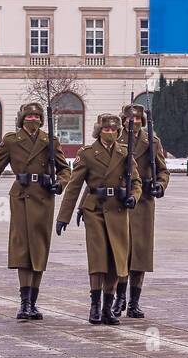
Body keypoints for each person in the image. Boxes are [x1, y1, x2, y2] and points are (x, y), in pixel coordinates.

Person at [0, 101, 68, 321]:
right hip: (21, 196)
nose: (34, 120)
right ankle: (24, 303)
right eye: (29, 117)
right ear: (22, 120)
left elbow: (65, 168)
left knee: (39, 248)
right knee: (22, 248)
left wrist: (60, 183)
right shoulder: (11, 141)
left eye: (37, 117)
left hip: (44, 196)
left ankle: (34, 302)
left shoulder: (50, 141)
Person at [56, 113, 141, 325]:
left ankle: (107, 308)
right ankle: (94, 305)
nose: (110, 133)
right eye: (106, 130)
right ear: (98, 131)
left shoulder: (125, 153)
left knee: (115, 260)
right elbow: (74, 186)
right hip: (95, 210)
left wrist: (132, 197)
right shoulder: (87, 154)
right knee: (98, 259)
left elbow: (137, 183)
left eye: (113, 130)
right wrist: (63, 216)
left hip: (118, 211)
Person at [111, 104, 170, 319]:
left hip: (144, 201)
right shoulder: (116, 141)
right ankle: (119, 299)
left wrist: (160, 185)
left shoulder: (152, 142)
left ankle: (134, 302)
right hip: (122, 202)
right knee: (122, 252)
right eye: (129, 119)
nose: (132, 122)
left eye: (137, 119)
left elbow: (163, 170)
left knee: (141, 253)